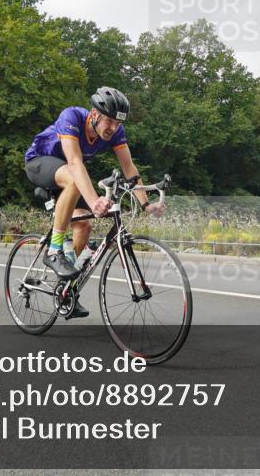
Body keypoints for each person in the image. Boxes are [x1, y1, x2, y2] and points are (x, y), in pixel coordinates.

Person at [24, 87, 164, 319]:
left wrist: (146, 205)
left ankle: (68, 291)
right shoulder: (72, 117)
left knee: (84, 225)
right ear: (94, 114)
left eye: (118, 123)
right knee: (74, 176)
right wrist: (94, 200)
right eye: (109, 121)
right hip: (40, 163)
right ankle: (54, 249)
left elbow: (129, 168)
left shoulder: (115, 133)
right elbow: (75, 162)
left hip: (70, 177)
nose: (113, 128)